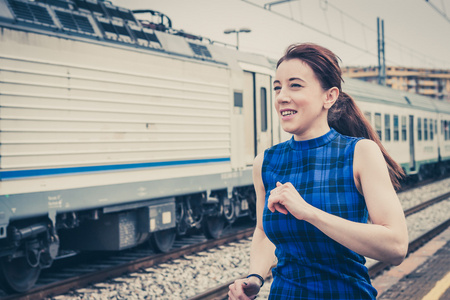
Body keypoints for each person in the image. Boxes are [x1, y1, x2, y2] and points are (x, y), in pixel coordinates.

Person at [228, 43, 408, 300]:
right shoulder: (265, 163)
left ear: (329, 96)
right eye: (277, 87)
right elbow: (263, 231)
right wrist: (255, 277)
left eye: (295, 85)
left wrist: (309, 213)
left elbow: (396, 246)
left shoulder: (359, 153)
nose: (281, 96)